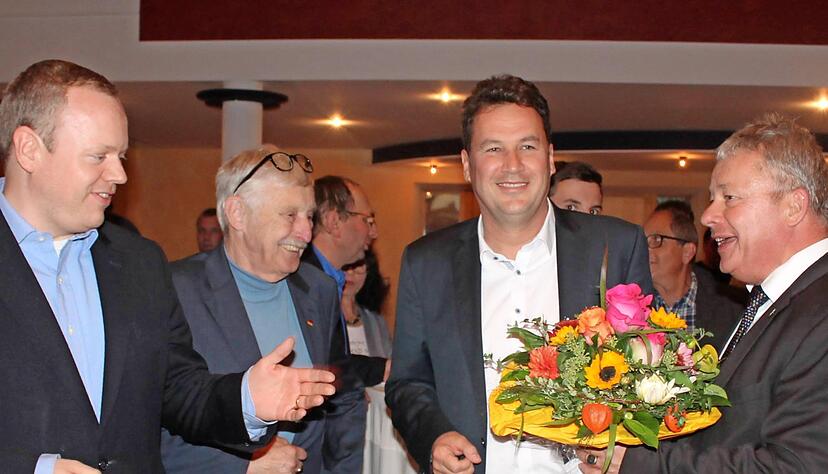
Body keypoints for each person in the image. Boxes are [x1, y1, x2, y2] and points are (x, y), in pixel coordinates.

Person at [0, 59, 335, 473]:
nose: (120, 173)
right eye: (98, 156)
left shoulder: (139, 262)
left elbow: (177, 390)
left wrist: (247, 399)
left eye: (121, 155)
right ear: (29, 149)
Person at [386, 74, 652, 474]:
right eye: (493, 148)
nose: (512, 165)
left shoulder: (616, 247)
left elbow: (650, 370)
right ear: (466, 164)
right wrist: (433, 437)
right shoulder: (427, 262)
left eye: (527, 146)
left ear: (549, 157)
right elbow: (407, 383)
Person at [579, 113, 828, 472]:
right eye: (713, 198)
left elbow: (797, 467)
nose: (708, 216)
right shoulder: (771, 302)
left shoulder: (818, 311)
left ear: (793, 206)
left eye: (729, 198)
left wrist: (638, 464)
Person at [161, 147, 365, 473]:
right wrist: (242, 465)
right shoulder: (174, 290)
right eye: (289, 215)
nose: (305, 232)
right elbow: (146, 425)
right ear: (238, 213)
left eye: (309, 216)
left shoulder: (318, 289)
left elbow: (345, 397)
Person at [303, 176, 389, 386]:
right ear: (334, 222)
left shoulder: (328, 279)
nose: (374, 232)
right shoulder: (304, 283)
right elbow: (319, 364)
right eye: (367, 221)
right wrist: (385, 369)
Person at [643, 200, 744, 350]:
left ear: (687, 252)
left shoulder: (735, 309)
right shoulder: (631, 308)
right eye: (643, 242)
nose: (645, 251)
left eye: (656, 240)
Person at [341, 249, 393, 361]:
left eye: (358, 265)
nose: (350, 273)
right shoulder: (321, 318)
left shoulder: (376, 321)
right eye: (345, 266)